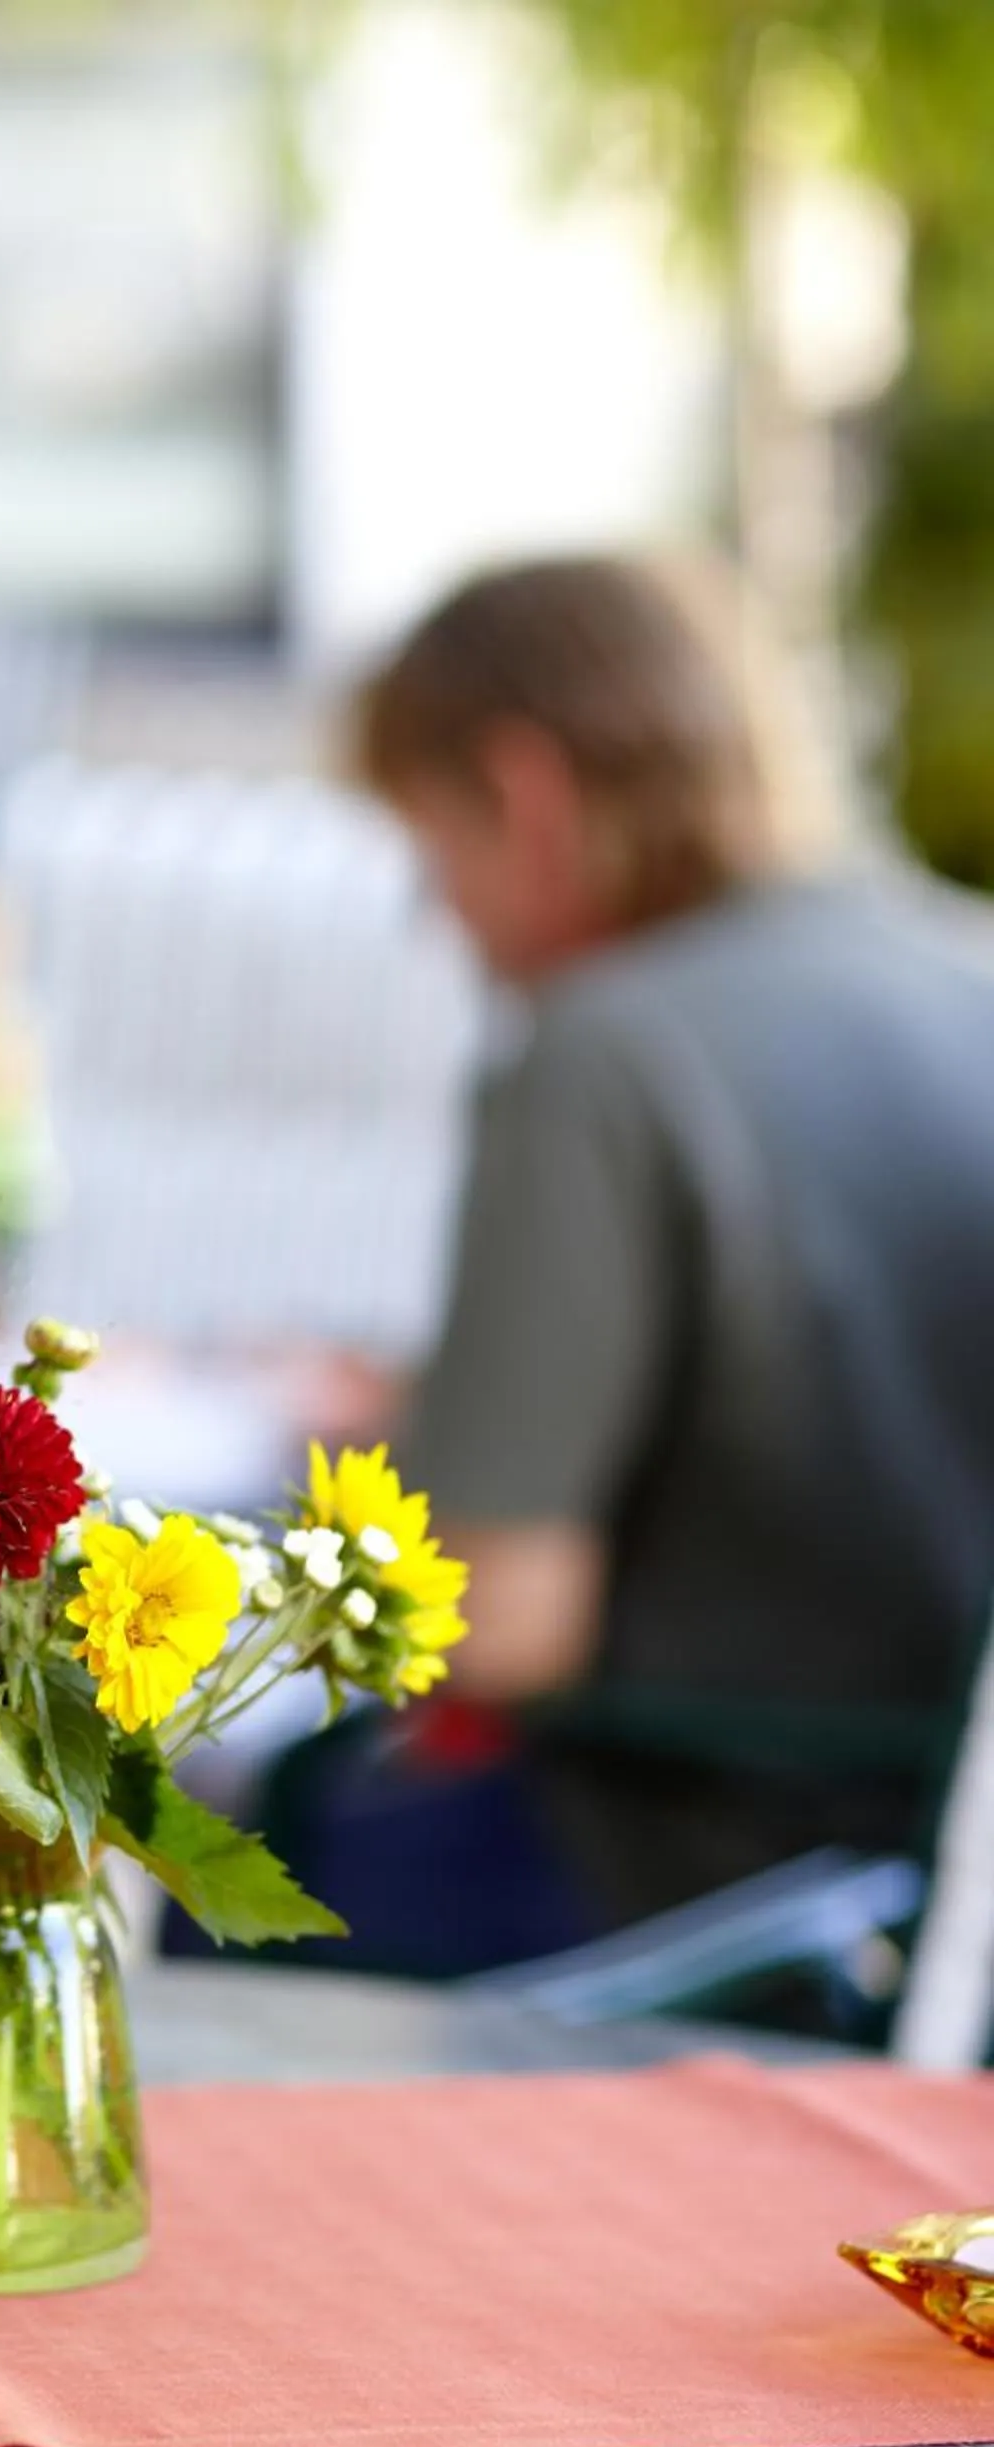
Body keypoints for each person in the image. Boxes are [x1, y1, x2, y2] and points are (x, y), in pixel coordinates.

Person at [339, 550, 994, 1936]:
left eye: (431, 851)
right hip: (950, 1906)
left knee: (209, 1855)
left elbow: (496, 1623)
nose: (441, 914)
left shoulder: (603, 1054)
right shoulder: (970, 973)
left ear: (525, 795)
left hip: (695, 1874)